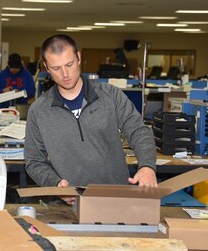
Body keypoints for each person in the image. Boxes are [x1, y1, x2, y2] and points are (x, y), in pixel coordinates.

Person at [24, 34, 157, 201]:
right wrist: (55, 184)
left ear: (79, 57)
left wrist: (147, 166)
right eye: (56, 68)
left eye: (69, 64)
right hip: (71, 203)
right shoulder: (39, 111)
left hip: (117, 197)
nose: (65, 74)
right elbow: (34, 161)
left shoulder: (110, 95)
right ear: (46, 67)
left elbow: (139, 131)